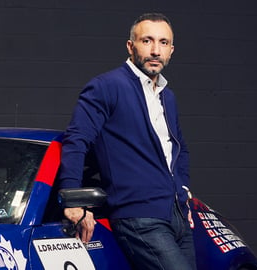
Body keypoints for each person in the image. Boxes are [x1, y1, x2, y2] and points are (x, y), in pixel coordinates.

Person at [58, 13, 196, 269]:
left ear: (171, 50)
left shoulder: (168, 96)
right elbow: (76, 140)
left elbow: (179, 149)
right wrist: (74, 199)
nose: (155, 50)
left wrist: (183, 193)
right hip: (139, 218)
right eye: (147, 41)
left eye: (163, 43)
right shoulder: (105, 86)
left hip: (176, 216)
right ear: (131, 46)